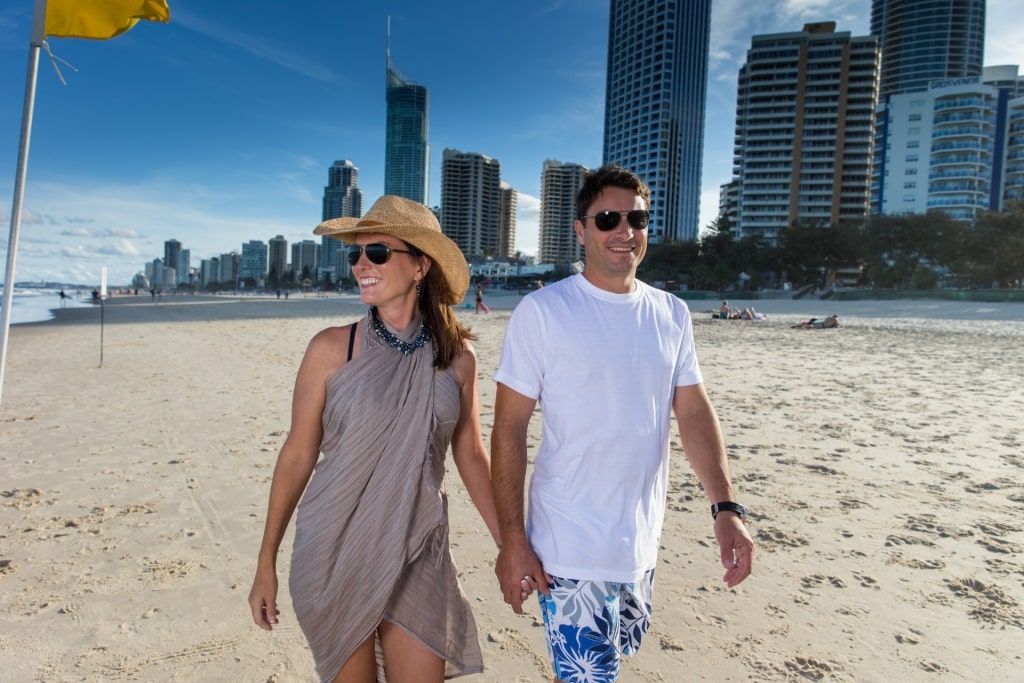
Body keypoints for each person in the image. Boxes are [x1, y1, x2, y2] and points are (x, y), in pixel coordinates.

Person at [490, 165, 755, 683]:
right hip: (567, 547)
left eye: (636, 218)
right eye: (608, 218)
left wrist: (725, 507)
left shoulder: (672, 313)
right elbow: (509, 430)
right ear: (581, 229)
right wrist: (512, 539)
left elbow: (695, 413)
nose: (624, 231)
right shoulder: (542, 312)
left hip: (638, 546)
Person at [248, 195, 502, 683]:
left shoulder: (458, 358)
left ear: (420, 266)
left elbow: (470, 453)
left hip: (418, 546)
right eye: (356, 255)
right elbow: (297, 455)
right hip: (334, 548)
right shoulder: (329, 349)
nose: (361, 264)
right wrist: (266, 563)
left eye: (378, 253)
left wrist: (509, 543)